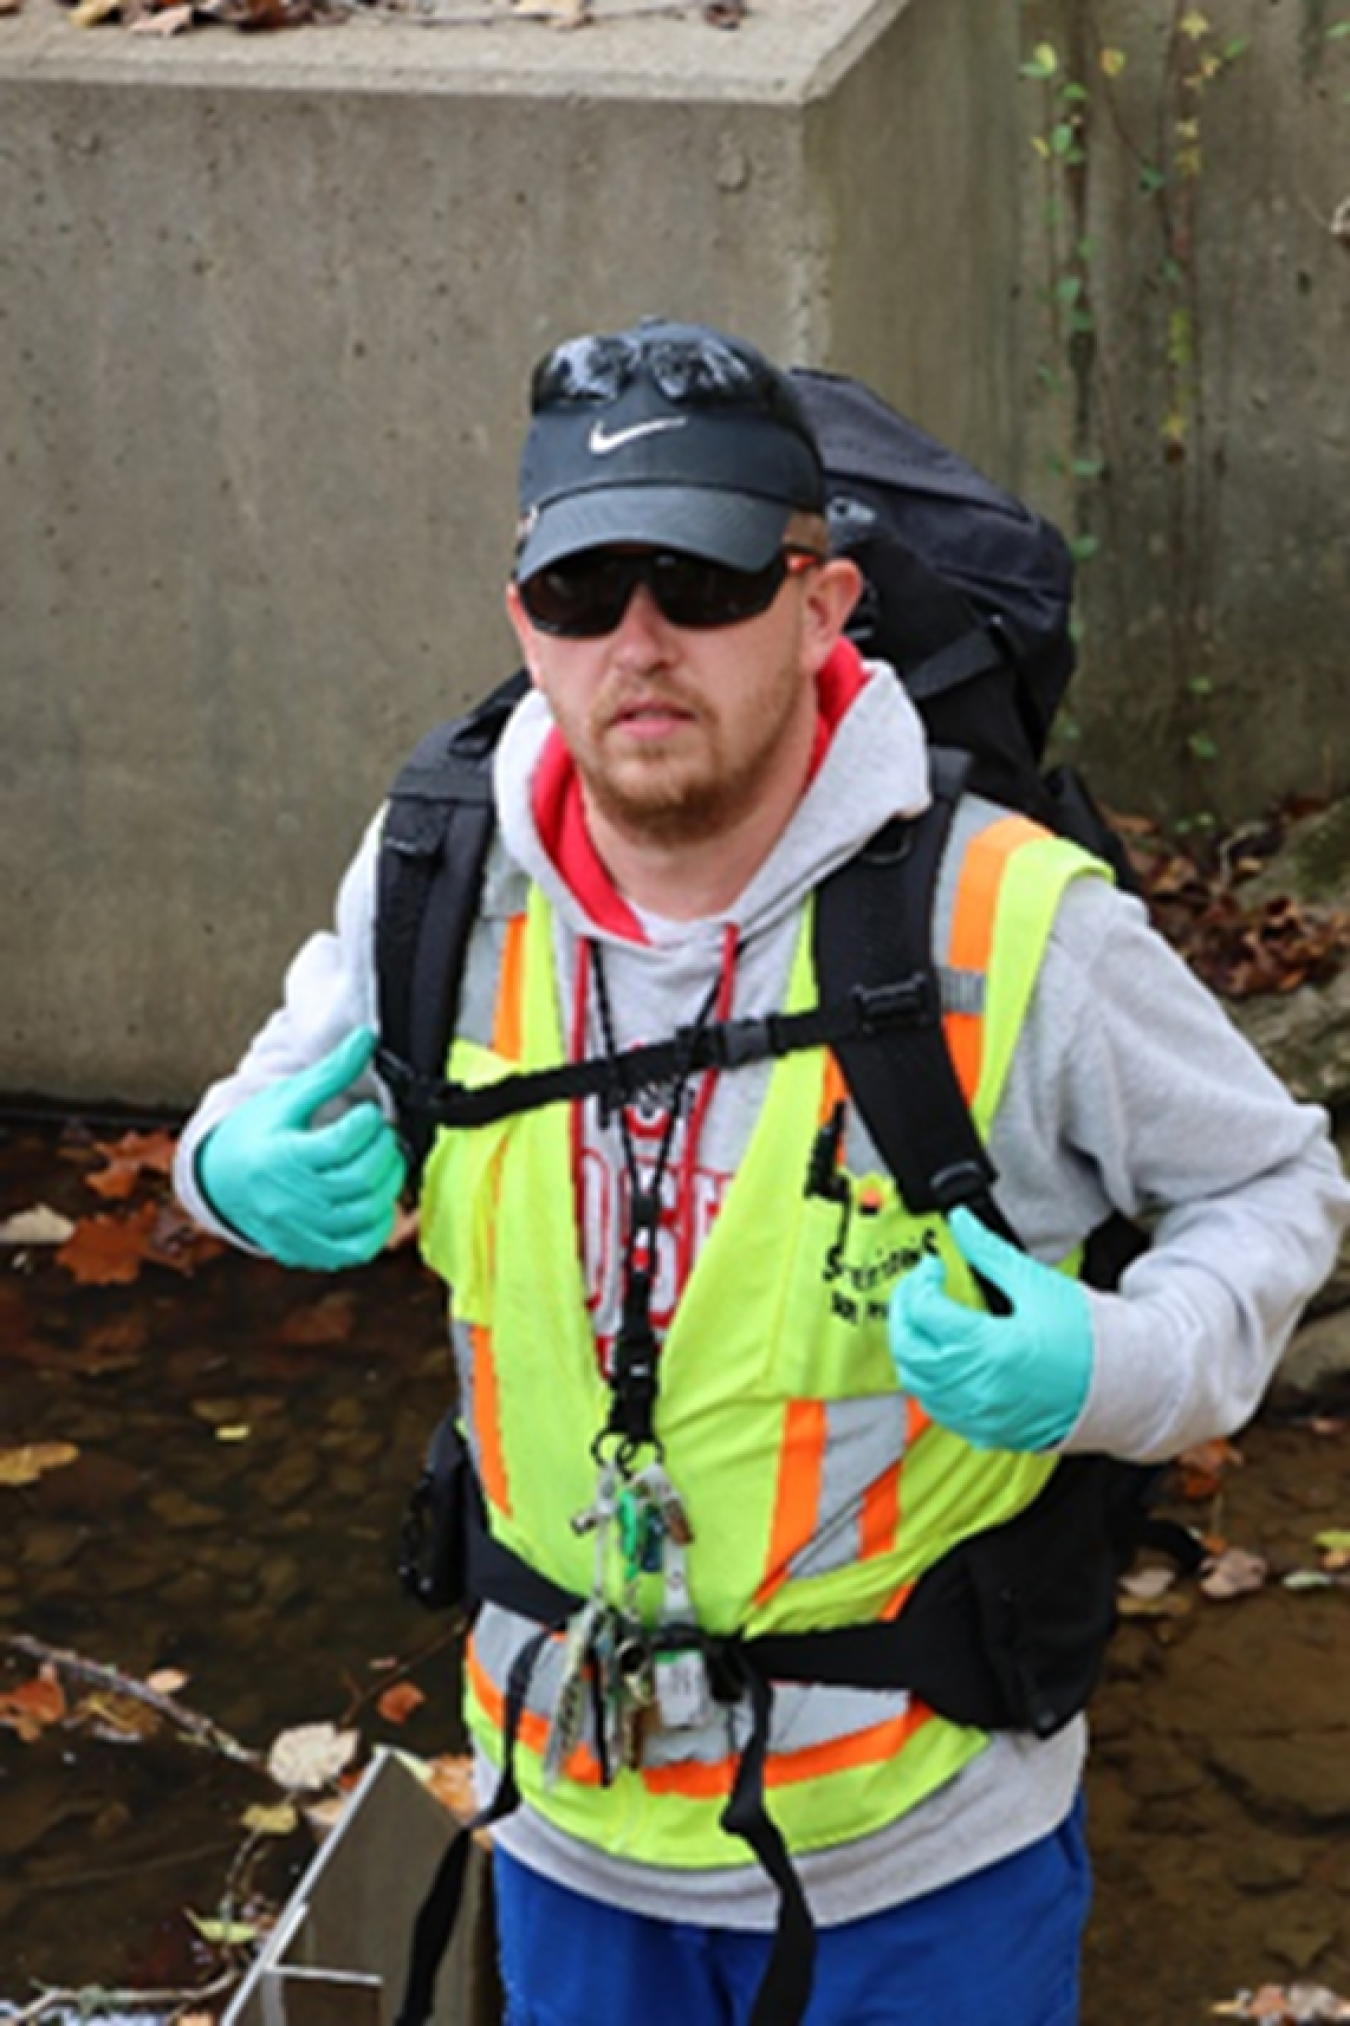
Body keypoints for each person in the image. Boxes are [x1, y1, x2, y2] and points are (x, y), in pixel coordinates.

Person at [175, 316, 1349, 2026]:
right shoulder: (436, 876)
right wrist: (224, 1167)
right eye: (584, 594)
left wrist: (1119, 1365)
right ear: (525, 618)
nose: (639, 645)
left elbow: (1275, 1187)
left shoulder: (1006, 923)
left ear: (818, 603)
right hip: (570, 1829)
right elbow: (259, 1097)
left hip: (926, 1854)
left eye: (702, 579)